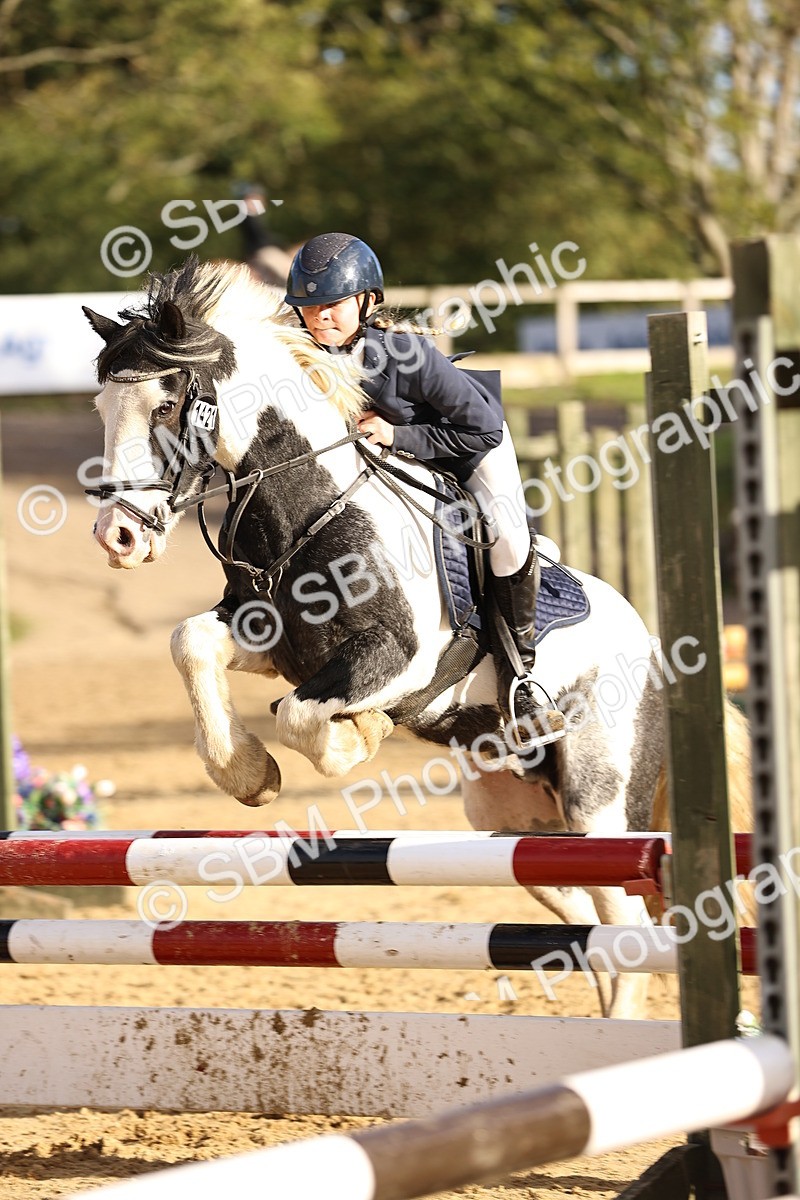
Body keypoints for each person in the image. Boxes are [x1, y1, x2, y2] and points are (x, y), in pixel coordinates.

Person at [284, 231, 565, 748]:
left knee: (507, 539)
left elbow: (484, 428)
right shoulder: (299, 358)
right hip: (394, 464)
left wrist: (399, 434)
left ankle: (523, 677)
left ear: (367, 301)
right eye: (309, 306)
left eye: (333, 304)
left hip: (470, 447)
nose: (320, 316)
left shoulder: (405, 354)